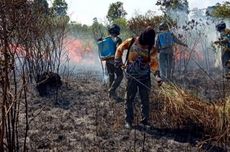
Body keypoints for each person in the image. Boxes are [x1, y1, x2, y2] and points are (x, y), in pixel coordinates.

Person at [114, 26, 162, 129]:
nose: (145, 46)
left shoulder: (151, 49)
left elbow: (154, 64)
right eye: (144, 44)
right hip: (132, 77)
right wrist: (118, 60)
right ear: (142, 37)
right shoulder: (132, 41)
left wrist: (157, 76)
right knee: (129, 99)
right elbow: (119, 49)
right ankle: (128, 121)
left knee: (145, 100)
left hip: (145, 78)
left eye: (147, 44)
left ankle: (144, 122)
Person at [105, 24, 123, 100]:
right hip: (115, 61)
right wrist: (120, 61)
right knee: (120, 76)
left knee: (111, 77)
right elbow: (118, 50)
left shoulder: (106, 39)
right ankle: (112, 90)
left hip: (108, 61)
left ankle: (111, 95)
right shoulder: (118, 39)